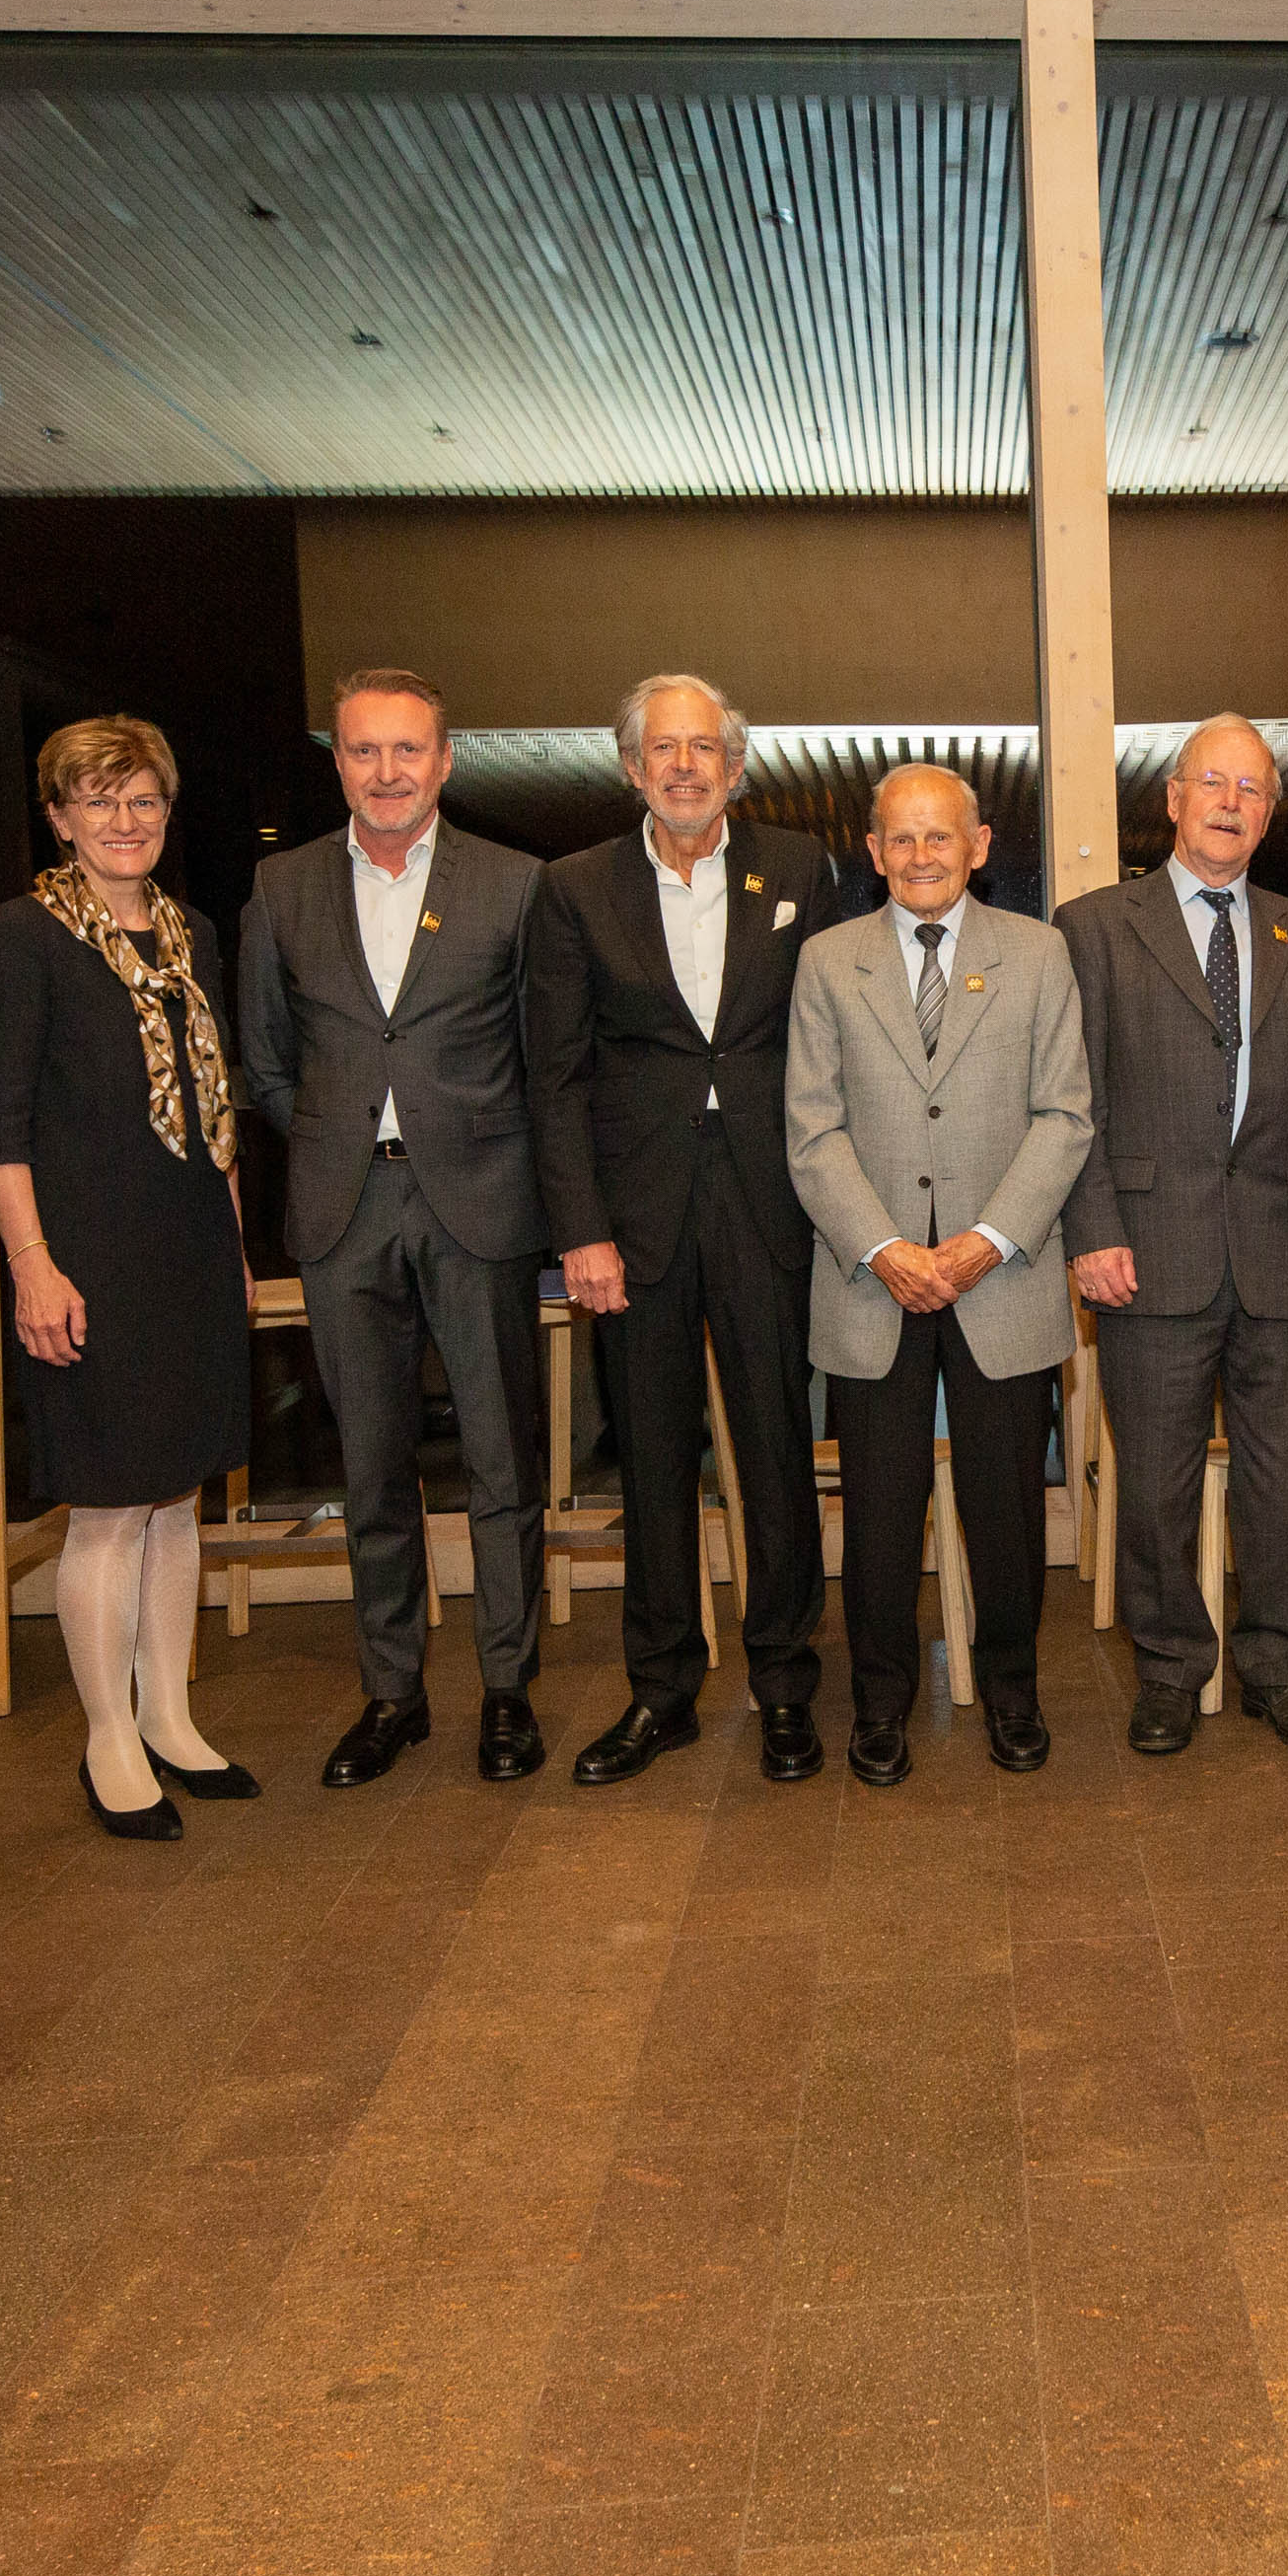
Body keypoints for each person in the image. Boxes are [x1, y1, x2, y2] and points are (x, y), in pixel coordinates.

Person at [238, 666, 552, 1789]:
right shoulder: (280, 888)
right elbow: (266, 1060)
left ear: (445, 759)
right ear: (337, 763)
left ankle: (507, 1689)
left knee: (500, 1457)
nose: (386, 772)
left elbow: (541, 1057)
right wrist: (338, 1136)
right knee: (369, 1465)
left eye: (406, 750)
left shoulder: (515, 886)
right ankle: (393, 1693)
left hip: (479, 1201)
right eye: (364, 751)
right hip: (341, 1207)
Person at [526, 674, 837, 1787]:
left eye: (704, 748)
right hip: (634, 1218)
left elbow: (835, 1034)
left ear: (735, 765)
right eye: (662, 749)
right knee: (652, 1460)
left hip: (768, 1200)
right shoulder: (572, 890)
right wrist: (580, 1230)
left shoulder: (799, 870)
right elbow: (553, 1078)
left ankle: (787, 1684)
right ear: (629, 767)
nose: (684, 766)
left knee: (774, 1453)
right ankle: (660, 1692)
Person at [0, 714, 259, 1841]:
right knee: (105, 1505)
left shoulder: (186, 933)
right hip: (85, 1255)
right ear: (58, 817)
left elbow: (216, 1109)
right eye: (98, 801)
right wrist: (32, 1267)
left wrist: (232, 1249)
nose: (123, 821)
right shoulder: (22, 936)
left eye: (141, 800)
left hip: (187, 1242)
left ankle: (170, 1715)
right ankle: (107, 1739)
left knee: (175, 1490)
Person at [784, 765, 1095, 1782]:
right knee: (877, 1511)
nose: (921, 855)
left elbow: (1064, 1116)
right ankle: (879, 1704)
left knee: (1005, 1509)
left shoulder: (1039, 953)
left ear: (979, 844)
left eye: (940, 836)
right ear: (872, 851)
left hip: (998, 1279)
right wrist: (884, 1248)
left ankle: (1012, 1691)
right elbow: (812, 1128)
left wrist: (983, 1240)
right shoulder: (828, 963)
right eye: (900, 838)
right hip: (871, 1281)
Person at [1064, 716, 1288, 1758]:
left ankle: (1280, 1665)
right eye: (1214, 783)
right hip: (1145, 1244)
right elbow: (1072, 1099)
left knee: (1284, 1475)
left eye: (1253, 789)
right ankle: (1169, 1671)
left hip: (1281, 1246)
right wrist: (1089, 1228)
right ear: (1174, 798)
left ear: (1269, 813)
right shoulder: (1094, 926)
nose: (1232, 802)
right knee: (1152, 1479)